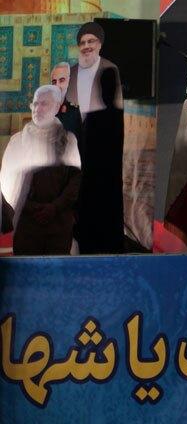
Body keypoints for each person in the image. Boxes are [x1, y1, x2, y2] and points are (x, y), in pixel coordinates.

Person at [1, 84, 82, 256]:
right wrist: (32, 208)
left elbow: (75, 181)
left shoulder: (69, 140)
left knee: (56, 270)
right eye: (35, 104)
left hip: (59, 225)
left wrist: (54, 208)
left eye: (44, 104)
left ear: (57, 107)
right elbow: (7, 182)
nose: (37, 109)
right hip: (26, 224)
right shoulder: (16, 142)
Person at [64, 22, 124, 253]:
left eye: (91, 41)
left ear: (100, 44)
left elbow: (116, 114)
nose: (86, 46)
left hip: (101, 150)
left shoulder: (110, 69)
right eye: (82, 42)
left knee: (98, 199)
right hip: (74, 146)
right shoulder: (71, 73)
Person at [50, 61, 82, 141]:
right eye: (54, 82)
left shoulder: (78, 109)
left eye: (61, 80)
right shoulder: (47, 108)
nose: (57, 86)